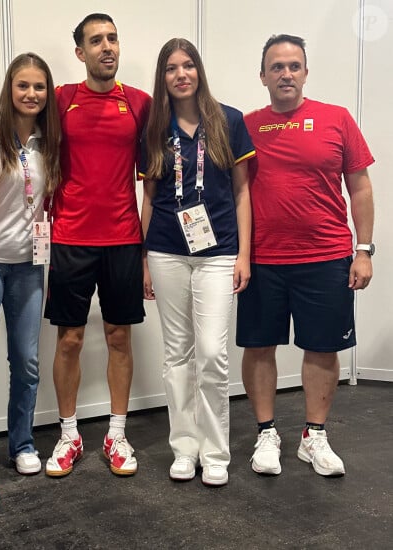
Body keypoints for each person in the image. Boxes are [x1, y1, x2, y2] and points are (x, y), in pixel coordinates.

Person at [237, 34, 375, 477]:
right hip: (263, 259)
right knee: (259, 347)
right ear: (263, 76)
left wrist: (364, 250)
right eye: (276, 67)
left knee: (322, 348)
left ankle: (313, 436)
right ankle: (266, 434)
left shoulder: (336, 119)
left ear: (305, 72)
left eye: (294, 65)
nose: (286, 73)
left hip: (327, 256)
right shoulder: (247, 125)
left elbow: (360, 186)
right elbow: (235, 192)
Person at [141, 38, 254, 486]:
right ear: (163, 76)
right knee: (177, 355)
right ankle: (184, 447)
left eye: (188, 66)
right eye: (171, 68)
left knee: (211, 353)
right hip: (167, 249)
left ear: (199, 71)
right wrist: (144, 258)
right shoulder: (154, 128)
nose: (181, 74)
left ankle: (216, 450)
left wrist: (244, 253)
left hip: (220, 251)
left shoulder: (229, 121)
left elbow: (243, 191)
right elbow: (148, 196)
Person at [44, 13, 151, 477]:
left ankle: (116, 434)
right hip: (70, 238)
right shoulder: (60, 100)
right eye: (96, 41)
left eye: (112, 38)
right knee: (69, 339)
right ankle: (69, 436)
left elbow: (158, 171)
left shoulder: (140, 103)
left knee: (118, 337)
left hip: (123, 239)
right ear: (80, 53)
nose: (107, 47)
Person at [0, 53, 61, 486]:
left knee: (26, 362)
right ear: (10, 88)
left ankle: (22, 444)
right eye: (23, 86)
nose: (31, 94)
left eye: (39, 87)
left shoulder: (49, 140)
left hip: (28, 267)